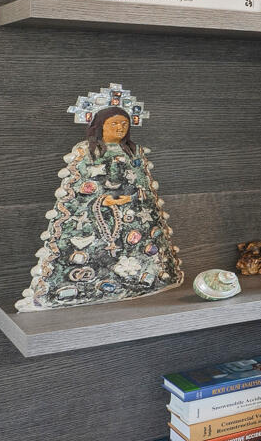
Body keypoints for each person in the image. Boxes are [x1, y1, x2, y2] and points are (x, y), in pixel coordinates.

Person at [17, 88, 184, 312]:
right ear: (100, 126)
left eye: (124, 124)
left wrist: (132, 199)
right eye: (114, 124)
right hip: (95, 222)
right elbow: (78, 191)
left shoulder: (134, 152)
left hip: (133, 219)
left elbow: (142, 185)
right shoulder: (86, 152)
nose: (120, 128)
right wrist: (102, 201)